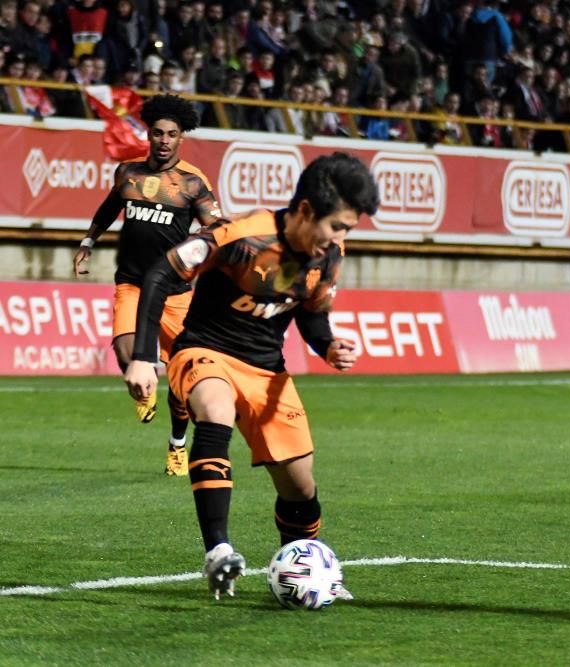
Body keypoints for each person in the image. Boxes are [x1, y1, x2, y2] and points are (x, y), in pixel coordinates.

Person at [123, 153, 379, 600]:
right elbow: (162, 273)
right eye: (337, 226)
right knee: (215, 412)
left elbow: (312, 315)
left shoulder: (329, 255)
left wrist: (328, 345)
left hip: (267, 370)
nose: (340, 238)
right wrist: (144, 356)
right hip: (205, 350)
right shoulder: (241, 235)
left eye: (347, 230)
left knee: (300, 485)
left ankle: (307, 566)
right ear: (304, 211)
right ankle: (218, 551)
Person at [74, 94, 222, 477]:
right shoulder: (128, 174)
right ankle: (144, 383)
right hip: (132, 284)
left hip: (175, 293)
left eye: (172, 134)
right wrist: (88, 242)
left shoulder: (191, 184)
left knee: (184, 376)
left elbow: (215, 229)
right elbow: (109, 207)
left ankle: (176, 445)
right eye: (158, 133)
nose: (164, 140)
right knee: (127, 355)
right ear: (149, 134)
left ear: (180, 139)